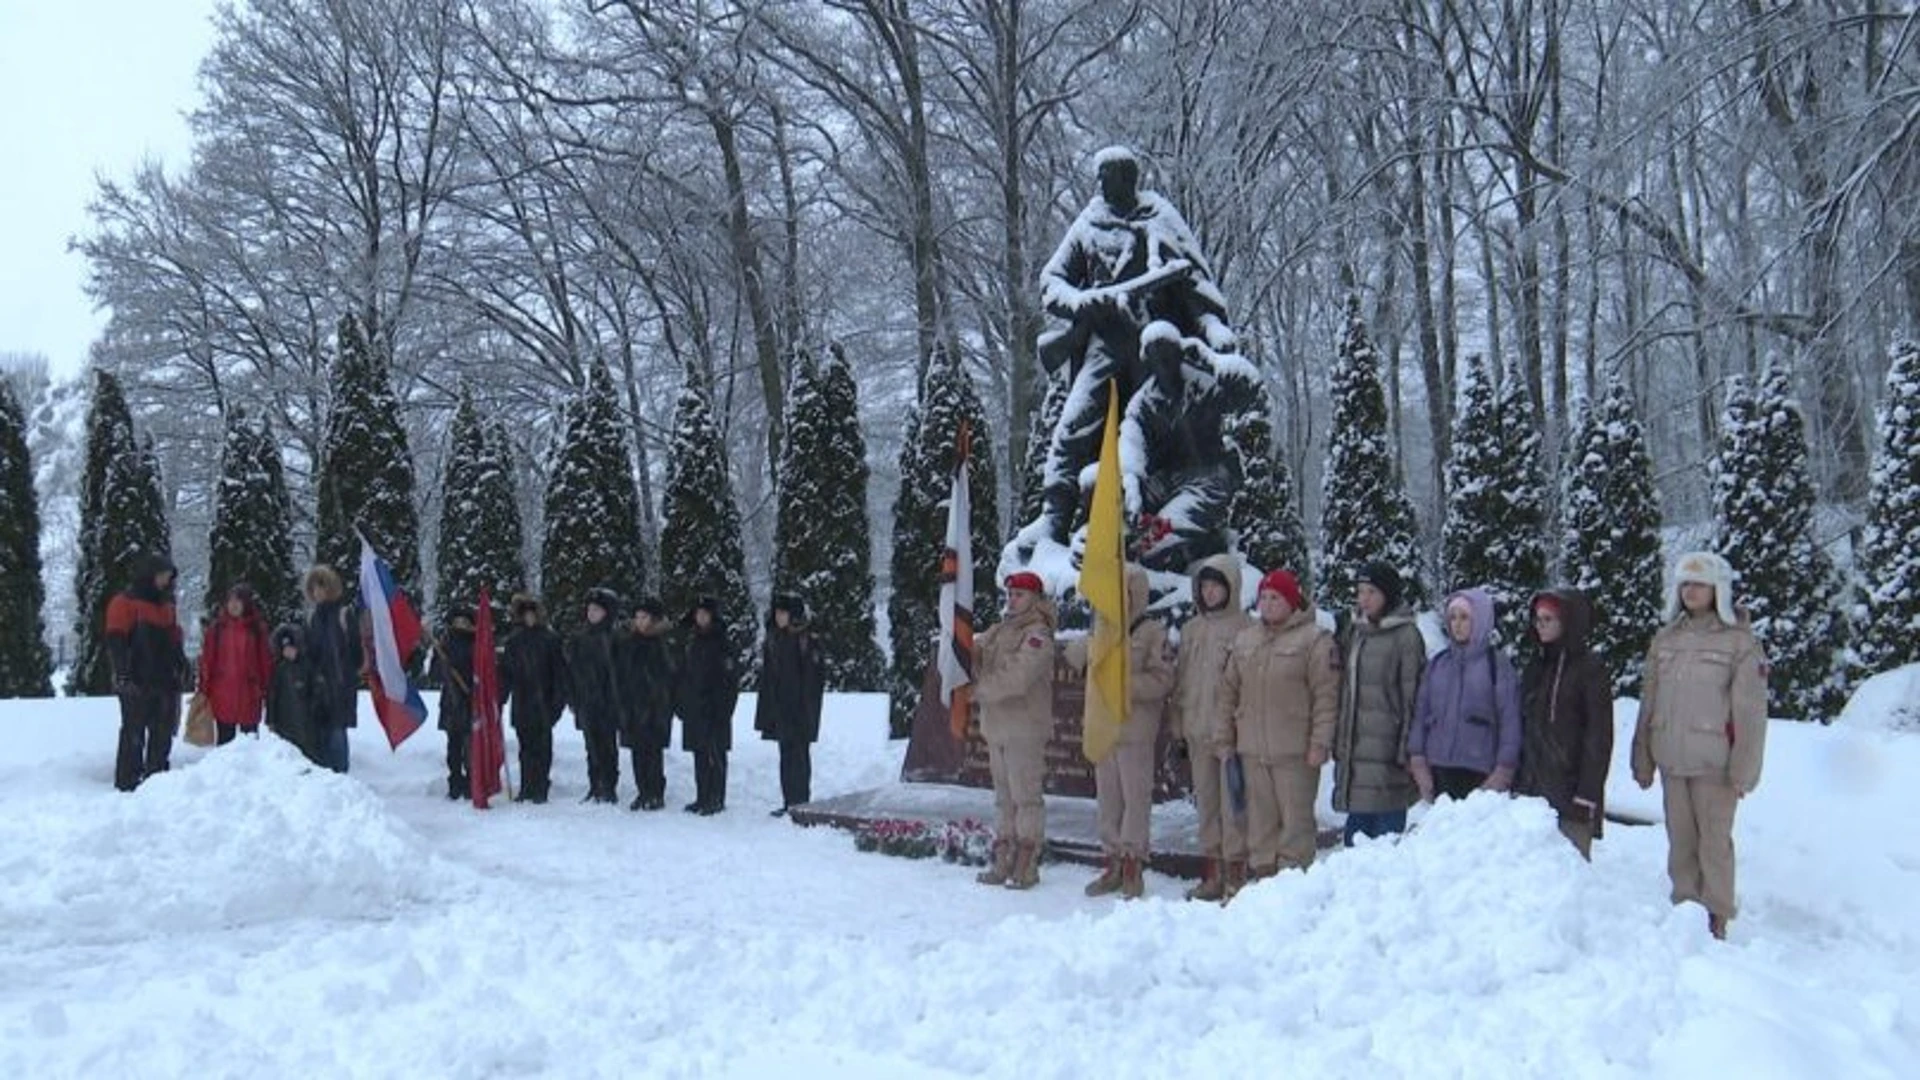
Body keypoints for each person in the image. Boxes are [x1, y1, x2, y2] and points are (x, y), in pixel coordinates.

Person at [1632, 552, 1768, 941]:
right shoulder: (1666, 639)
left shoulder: (1739, 643)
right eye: (1685, 584)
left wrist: (1744, 771)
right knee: (1681, 842)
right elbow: (1649, 701)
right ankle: (1686, 909)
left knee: (1714, 844)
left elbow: (1750, 715)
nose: (1691, 591)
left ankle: (1716, 917)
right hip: (1673, 761)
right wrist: (1642, 756)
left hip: (1715, 766)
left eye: (1700, 584)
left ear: (1718, 590)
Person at [1217, 569, 1338, 881]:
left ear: (1291, 601)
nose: (1268, 604)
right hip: (1252, 751)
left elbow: (1326, 695)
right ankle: (1263, 883)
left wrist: (1320, 742)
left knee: (1295, 826)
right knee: (1259, 826)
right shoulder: (1246, 640)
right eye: (1264, 598)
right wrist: (1224, 740)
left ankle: (1292, 888)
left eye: (1276, 598)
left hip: (1295, 753)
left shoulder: (1314, 640)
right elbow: (1228, 692)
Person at [1067, 564, 1176, 900]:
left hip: (1134, 729)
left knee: (1135, 800)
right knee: (1108, 801)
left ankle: (1132, 863)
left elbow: (1163, 680)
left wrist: (1123, 685)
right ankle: (1112, 861)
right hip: (1103, 727)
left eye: (1126, 593)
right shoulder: (1102, 627)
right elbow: (1075, 659)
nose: (1119, 599)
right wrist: (1089, 650)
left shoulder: (1152, 632)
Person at [1171, 554, 1253, 901]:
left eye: (1216, 586)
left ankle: (1236, 872)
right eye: (1203, 586)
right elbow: (1181, 683)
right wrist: (1179, 729)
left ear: (1231, 588)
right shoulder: (1191, 629)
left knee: (1232, 807)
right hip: (1196, 729)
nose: (1209, 593)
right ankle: (1212, 872)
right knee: (1206, 805)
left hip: (1230, 736)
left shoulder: (1246, 629)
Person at [971, 571, 1058, 890]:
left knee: (1026, 797)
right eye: (1010, 594)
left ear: (1036, 598)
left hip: (1024, 728)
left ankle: (1026, 862)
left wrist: (980, 689)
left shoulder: (1038, 634)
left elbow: (1019, 677)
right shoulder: (999, 630)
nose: (1013, 599)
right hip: (997, 728)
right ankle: (1003, 859)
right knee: (1004, 799)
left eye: (1020, 594)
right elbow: (977, 654)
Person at [1332, 561, 1425, 844]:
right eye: (1360, 592)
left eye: (1372, 592)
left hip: (1389, 756)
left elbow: (1414, 698)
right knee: (1355, 842)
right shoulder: (1357, 632)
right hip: (1357, 755)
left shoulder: (1406, 636)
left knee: (1384, 846)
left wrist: (1407, 750)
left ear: (1388, 594)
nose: (1364, 599)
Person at [1516, 590, 1614, 859]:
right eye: (1538, 619)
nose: (1541, 625)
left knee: (1568, 876)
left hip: (1571, 792)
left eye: (1549, 619)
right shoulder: (1535, 665)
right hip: (1531, 790)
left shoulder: (1589, 668)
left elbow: (1598, 736)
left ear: (1568, 622)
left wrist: (1588, 792)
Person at [1407, 588, 1522, 803]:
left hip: (1479, 772)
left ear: (1480, 620)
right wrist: (1418, 759)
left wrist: (1504, 770)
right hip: (1438, 769)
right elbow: (1421, 713)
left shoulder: (1496, 666)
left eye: (1464, 617)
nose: (1457, 624)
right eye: (1452, 617)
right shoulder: (1438, 664)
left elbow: (1510, 721)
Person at [104, 553, 188, 791]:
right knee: (134, 730)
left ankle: (157, 778)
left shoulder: (167, 605)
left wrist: (181, 663)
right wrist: (122, 674)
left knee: (162, 730)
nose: (165, 581)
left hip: (164, 678)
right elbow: (116, 641)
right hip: (136, 678)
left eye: (168, 577)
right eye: (162, 575)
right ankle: (128, 780)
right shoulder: (124, 603)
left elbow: (174, 638)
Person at [755, 594, 826, 816]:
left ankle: (800, 802)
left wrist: (806, 708)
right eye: (777, 613)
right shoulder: (774, 639)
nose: (779, 617)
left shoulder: (806, 639)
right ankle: (789, 802)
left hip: (800, 710)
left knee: (799, 757)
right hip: (781, 709)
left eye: (783, 613)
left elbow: (813, 678)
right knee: (786, 756)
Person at [501, 594, 567, 803]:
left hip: (544, 701)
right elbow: (506, 673)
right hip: (522, 701)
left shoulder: (550, 640)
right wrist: (500, 698)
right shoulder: (514, 641)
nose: (529, 619)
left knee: (542, 748)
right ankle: (527, 786)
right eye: (525, 615)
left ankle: (541, 785)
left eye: (532, 615)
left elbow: (559, 674)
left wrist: (557, 704)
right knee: (525, 748)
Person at [678, 596, 740, 815]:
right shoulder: (692, 641)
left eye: (705, 613)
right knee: (699, 755)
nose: (701, 618)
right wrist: (682, 702)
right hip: (694, 708)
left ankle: (716, 797)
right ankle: (702, 795)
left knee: (715, 754)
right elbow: (684, 674)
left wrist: (724, 709)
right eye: (698, 613)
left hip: (715, 709)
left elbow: (730, 680)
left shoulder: (723, 643)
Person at [616, 597, 674, 811]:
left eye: (644, 617)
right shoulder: (628, 643)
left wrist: (660, 700)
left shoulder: (661, 644)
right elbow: (622, 674)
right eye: (637, 617)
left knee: (653, 752)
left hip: (655, 707)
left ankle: (655, 792)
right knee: (637, 752)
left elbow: (668, 675)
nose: (640, 622)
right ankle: (642, 791)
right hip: (632, 706)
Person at [302, 565, 362, 774]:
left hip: (340, 685)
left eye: (321, 587)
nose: (317, 592)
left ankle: (341, 781)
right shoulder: (312, 619)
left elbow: (357, 653)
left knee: (337, 735)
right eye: (314, 588)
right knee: (321, 736)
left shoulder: (344, 615)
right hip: (319, 687)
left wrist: (344, 675)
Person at [197, 584, 273, 745]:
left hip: (250, 694)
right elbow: (208, 661)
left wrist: (267, 689)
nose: (234, 605)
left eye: (238, 601)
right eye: (230, 601)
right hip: (223, 694)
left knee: (250, 742)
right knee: (225, 742)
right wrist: (204, 689)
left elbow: (264, 662)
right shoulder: (217, 629)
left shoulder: (257, 629)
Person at [568, 588, 623, 805]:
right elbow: (572, 670)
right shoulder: (579, 638)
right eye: (589, 609)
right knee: (591, 747)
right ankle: (594, 785)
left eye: (597, 610)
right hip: (586, 701)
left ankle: (608, 786)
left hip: (608, 703)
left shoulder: (614, 639)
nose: (592, 613)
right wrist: (573, 698)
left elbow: (619, 673)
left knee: (608, 746)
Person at [430, 606, 478, 800]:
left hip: (471, 700)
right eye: (458, 621)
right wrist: (444, 666)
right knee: (453, 746)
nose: (461, 625)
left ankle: (472, 782)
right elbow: (434, 674)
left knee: (471, 747)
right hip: (451, 701)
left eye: (465, 622)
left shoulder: (476, 644)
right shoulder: (445, 644)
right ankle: (455, 782)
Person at [265, 623, 322, 765]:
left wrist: (315, 710)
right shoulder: (279, 669)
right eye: (285, 649)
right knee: (288, 756)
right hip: (284, 721)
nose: (289, 652)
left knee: (308, 754)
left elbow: (317, 691)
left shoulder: (307, 666)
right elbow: (272, 696)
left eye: (291, 648)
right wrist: (270, 719)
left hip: (306, 722)